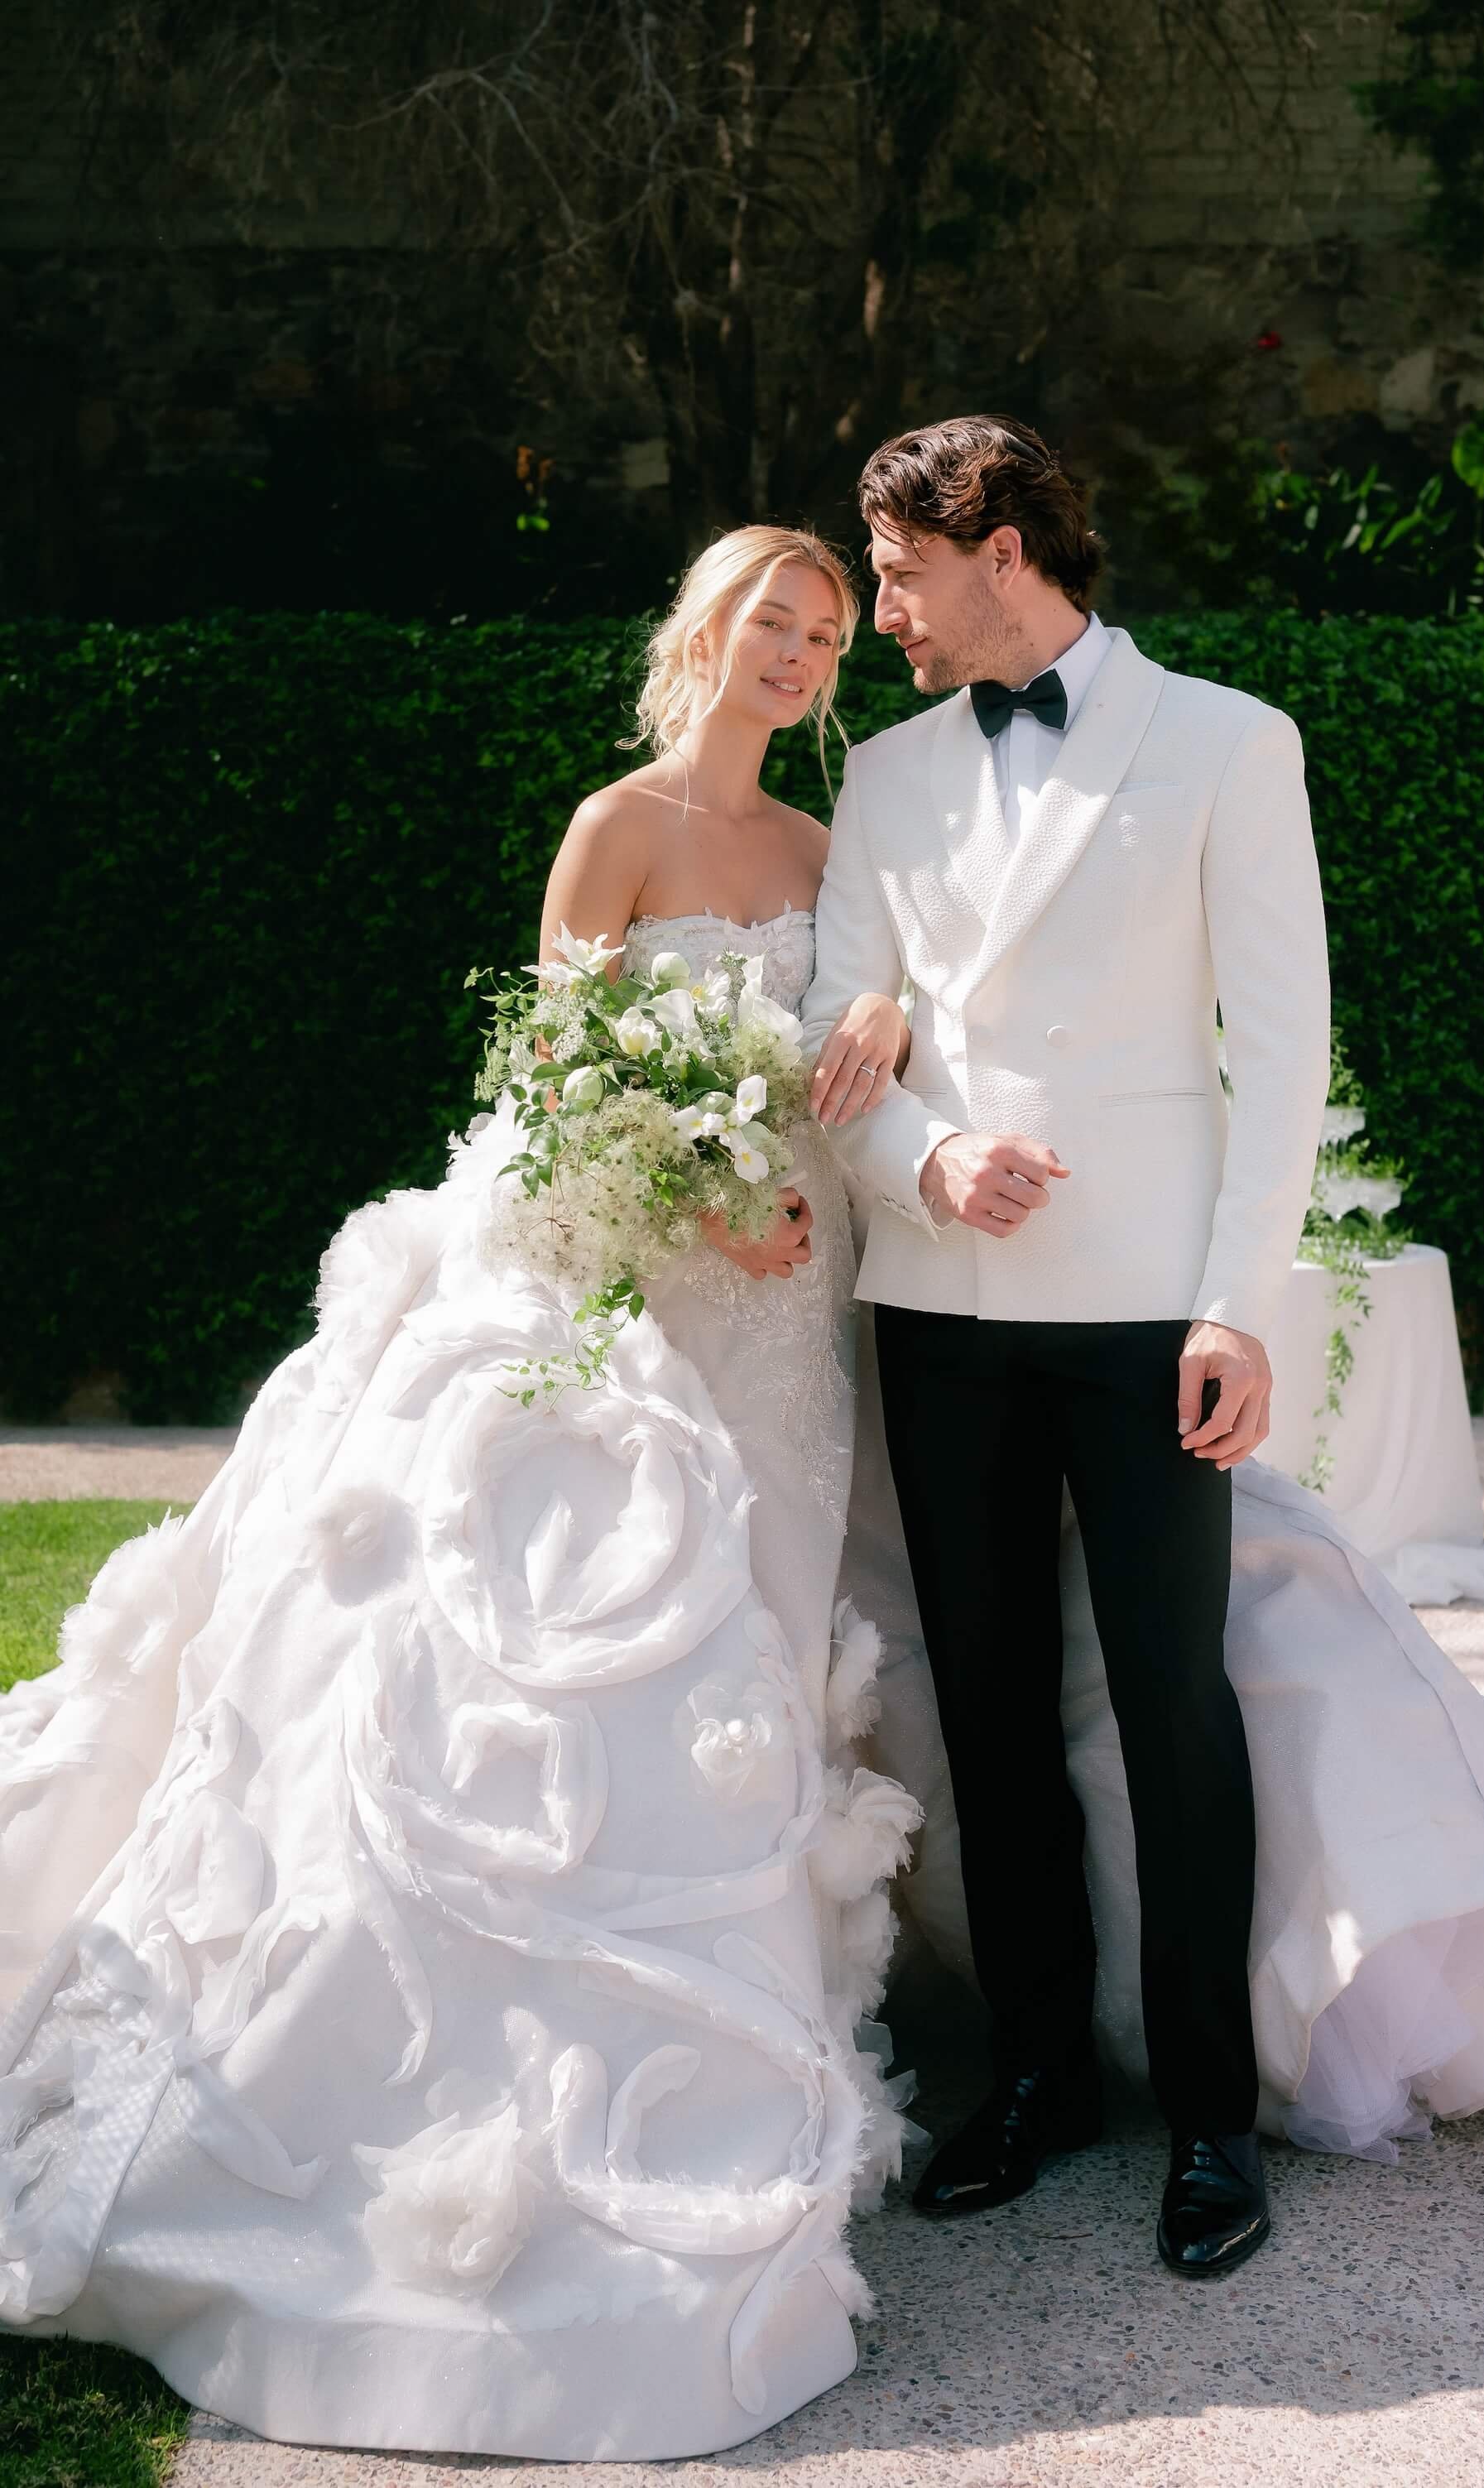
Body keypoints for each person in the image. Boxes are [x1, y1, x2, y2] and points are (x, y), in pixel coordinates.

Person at [0, 526, 925, 2463]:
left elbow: (858, 1036)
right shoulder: (625, 821)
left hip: (787, 1293)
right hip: (639, 1273)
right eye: (777, 615)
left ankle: (783, 1987)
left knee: (769, 1611)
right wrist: (686, 1199)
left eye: (829, 630)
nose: (802, 648)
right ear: (707, 628)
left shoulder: (831, 860)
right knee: (607, 1627)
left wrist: (870, 1062)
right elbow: (559, 1064)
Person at [800, 411, 1484, 2276]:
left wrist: (1231, 1310)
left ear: (1001, 546)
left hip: (1142, 1315)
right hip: (937, 1311)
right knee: (992, 1708)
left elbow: (1279, 1055)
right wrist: (927, 1155)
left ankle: (1206, 2116)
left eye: (899, 569)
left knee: (1178, 1710)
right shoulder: (886, 776)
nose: (883, 613)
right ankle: (1034, 2077)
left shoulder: (1226, 744)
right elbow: (827, 1029)